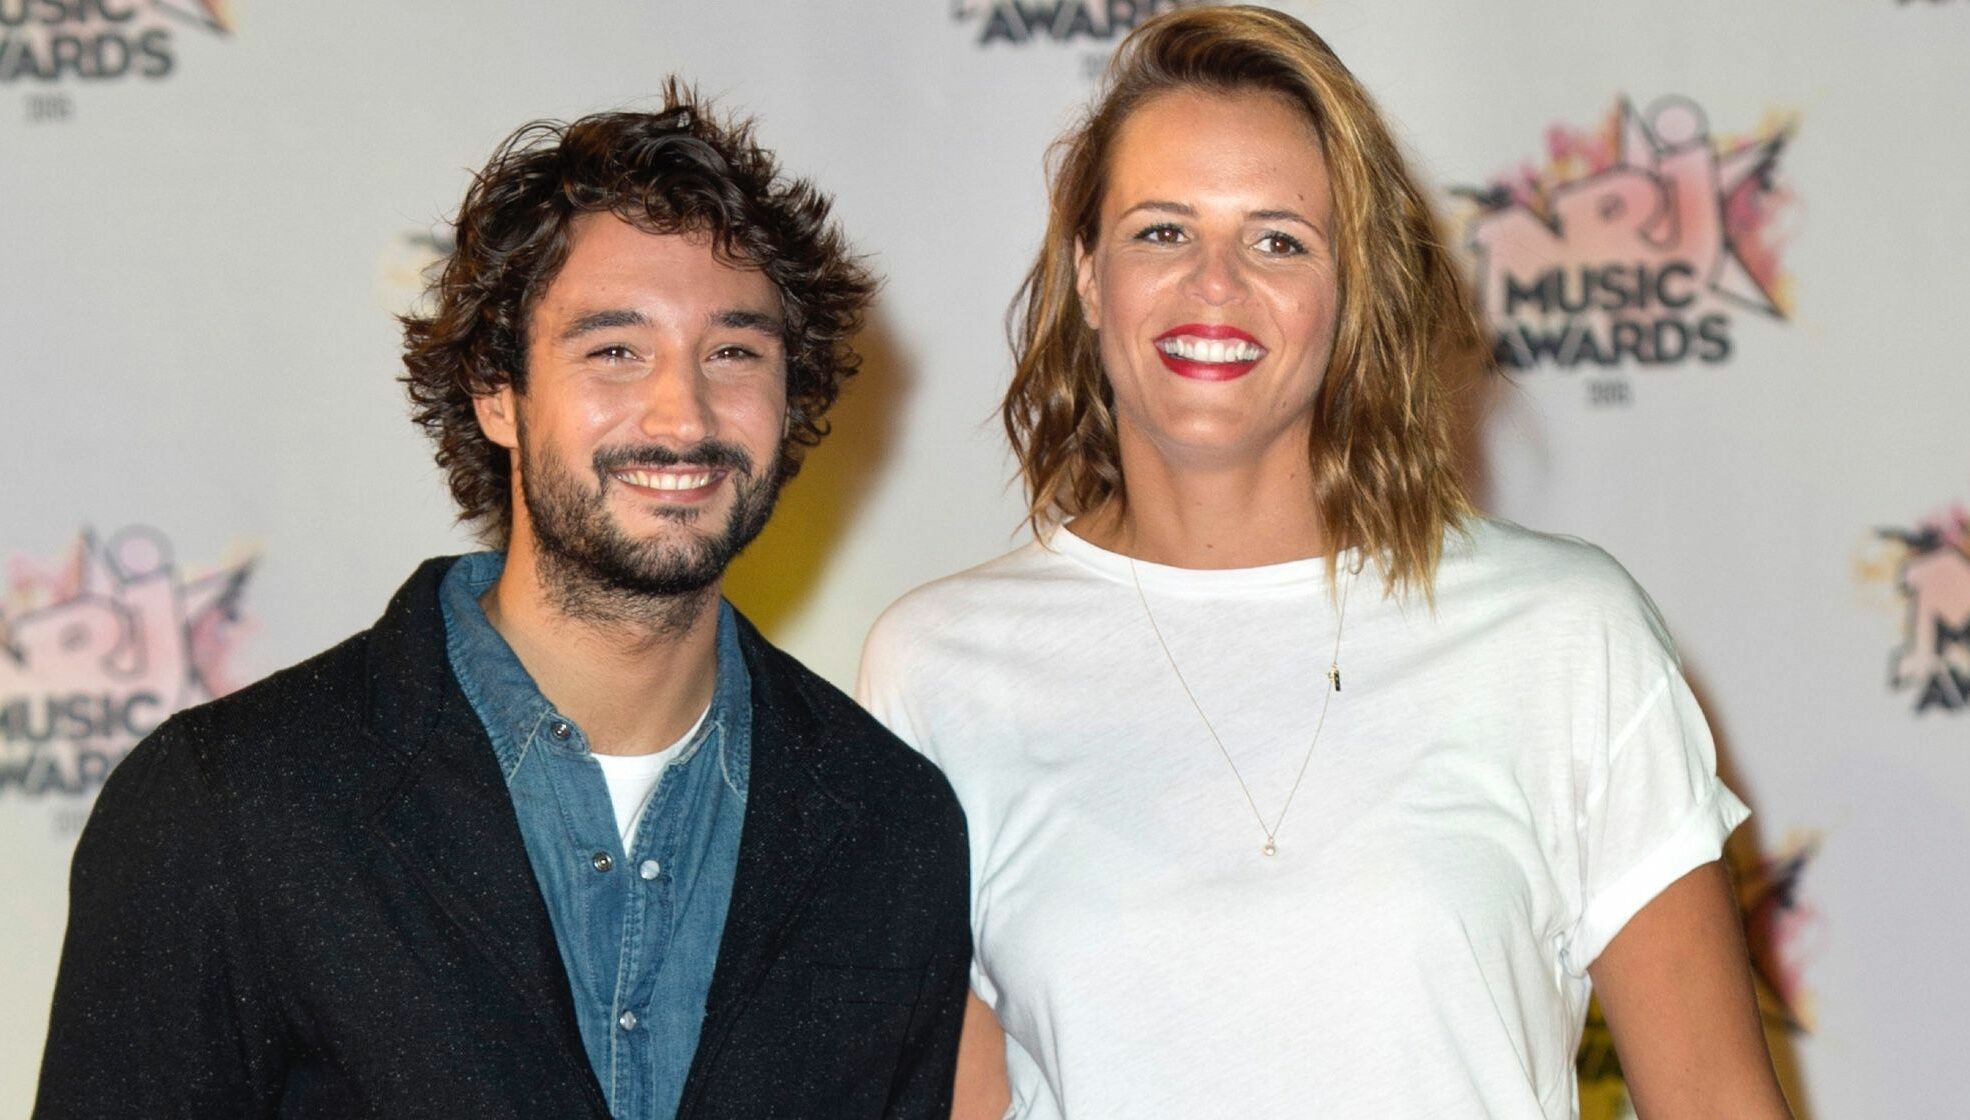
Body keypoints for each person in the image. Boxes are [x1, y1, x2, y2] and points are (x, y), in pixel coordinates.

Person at [857, 8, 1791, 1118]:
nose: (1213, 284)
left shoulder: (1560, 634)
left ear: (1349, 296)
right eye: (1161, 231)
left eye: (1277, 240)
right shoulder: (938, 669)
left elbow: (1717, 1101)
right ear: (1087, 273)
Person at [37, 89, 970, 1119]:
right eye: (613, 350)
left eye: (733, 352)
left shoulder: (893, 826)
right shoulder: (226, 806)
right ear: (496, 392)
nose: (683, 413)